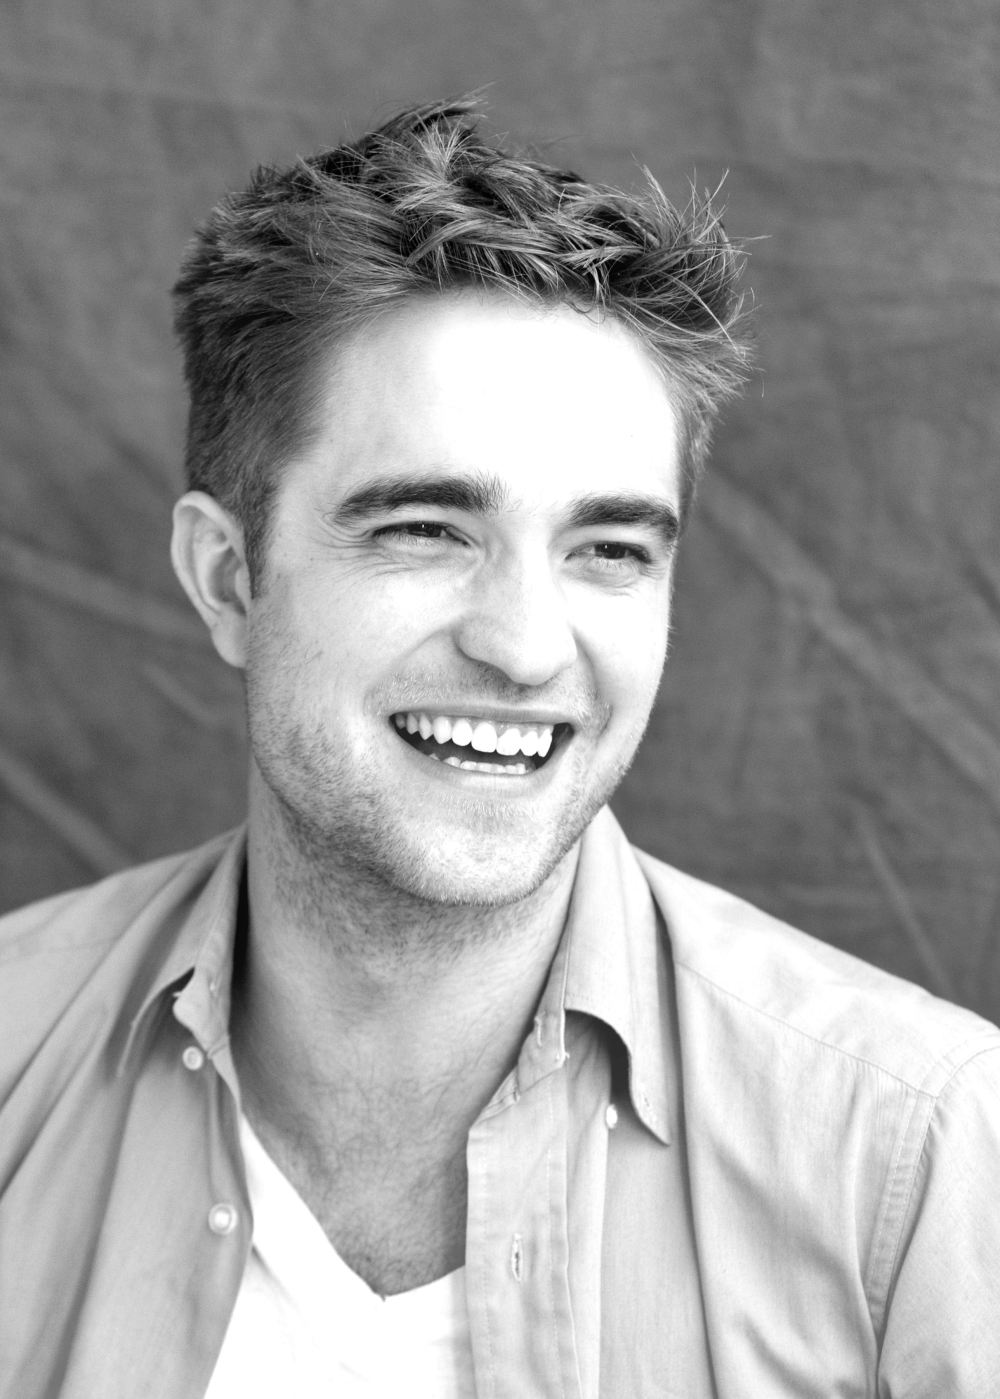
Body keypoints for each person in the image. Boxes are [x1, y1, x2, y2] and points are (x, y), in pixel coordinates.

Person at [1, 96, 997, 1399]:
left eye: (608, 550)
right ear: (229, 578)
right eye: (425, 530)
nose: (526, 648)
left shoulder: (921, 1153)